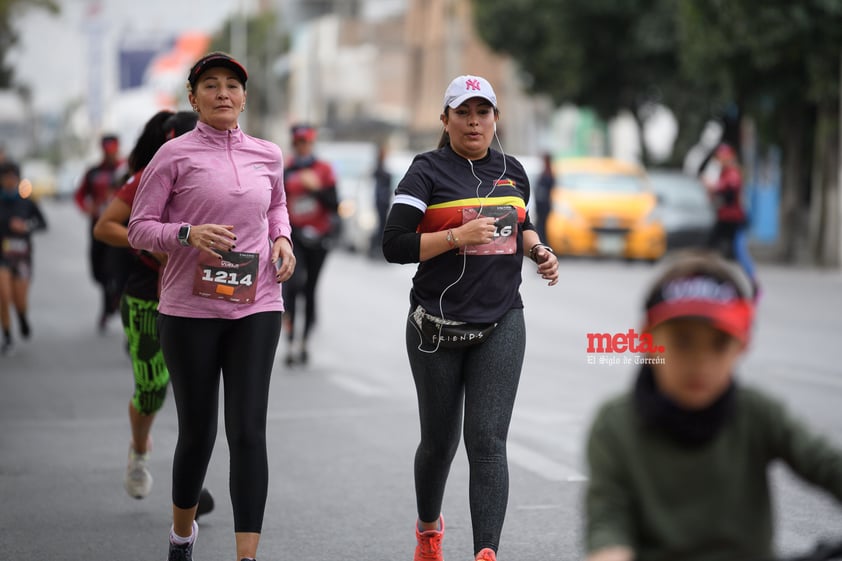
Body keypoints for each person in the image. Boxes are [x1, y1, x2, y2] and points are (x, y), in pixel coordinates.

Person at [382, 74, 560, 561]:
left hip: (502, 320)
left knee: (487, 441)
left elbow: (521, 223)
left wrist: (539, 250)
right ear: (446, 120)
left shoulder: (514, 170)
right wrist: (457, 237)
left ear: (495, 119)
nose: (474, 122)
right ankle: (427, 531)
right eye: (463, 113)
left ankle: (486, 553)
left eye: (483, 112)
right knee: (439, 445)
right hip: (436, 327)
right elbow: (393, 244)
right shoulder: (427, 171)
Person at [127, 51, 295, 561]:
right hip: (188, 310)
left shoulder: (268, 153)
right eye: (211, 85)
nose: (223, 93)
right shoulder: (173, 156)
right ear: (193, 98)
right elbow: (138, 227)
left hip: (257, 303)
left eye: (232, 86)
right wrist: (188, 233)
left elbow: (277, 207)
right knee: (199, 432)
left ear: (245, 97)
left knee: (248, 431)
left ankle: (247, 556)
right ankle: (182, 538)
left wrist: (282, 240)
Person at [583, 250, 842, 561]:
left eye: (719, 343)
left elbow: (825, 464)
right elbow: (608, 521)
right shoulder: (616, 425)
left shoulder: (757, 414)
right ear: (647, 337)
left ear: (742, 344)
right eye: (683, 341)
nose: (701, 361)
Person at [93, 110, 215, 519]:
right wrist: (150, 244)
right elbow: (105, 226)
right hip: (148, 296)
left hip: (202, 295)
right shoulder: (147, 174)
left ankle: (191, 485)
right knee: (152, 388)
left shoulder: (221, 168)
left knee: (196, 391)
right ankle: (140, 452)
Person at [281, 123, 339, 366]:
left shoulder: (324, 169)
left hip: (319, 237)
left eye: (307, 142)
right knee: (292, 285)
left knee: (310, 289)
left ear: (312, 143)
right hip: (294, 237)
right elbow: (277, 204)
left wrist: (316, 189)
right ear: (294, 144)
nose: (303, 146)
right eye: (299, 143)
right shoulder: (286, 168)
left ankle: (305, 340)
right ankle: (291, 339)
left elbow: (334, 204)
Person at [75, 133, 127, 332]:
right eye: (107, 151)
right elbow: (80, 196)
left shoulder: (125, 170)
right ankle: (109, 298)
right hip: (98, 225)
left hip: (119, 225)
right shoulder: (93, 172)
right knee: (98, 270)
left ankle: (112, 304)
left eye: (113, 150)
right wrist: (87, 209)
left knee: (115, 267)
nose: (110, 154)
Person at [0, 161, 47, 355]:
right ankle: (8, 336)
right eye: (5, 177)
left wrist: (26, 226)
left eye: (13, 177)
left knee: (19, 299)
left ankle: (22, 316)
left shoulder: (27, 202)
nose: (9, 181)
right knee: (4, 295)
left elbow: (43, 224)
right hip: (2, 256)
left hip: (22, 258)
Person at [370, 142, 393, 259]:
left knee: (382, 224)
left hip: (383, 199)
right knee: (381, 224)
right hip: (381, 200)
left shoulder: (383, 165)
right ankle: (376, 247)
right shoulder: (379, 166)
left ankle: (378, 246)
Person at [534, 151, 554, 242]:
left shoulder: (548, 173)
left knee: (542, 226)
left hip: (544, 205)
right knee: (541, 225)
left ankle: (543, 243)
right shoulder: (547, 172)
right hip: (542, 204)